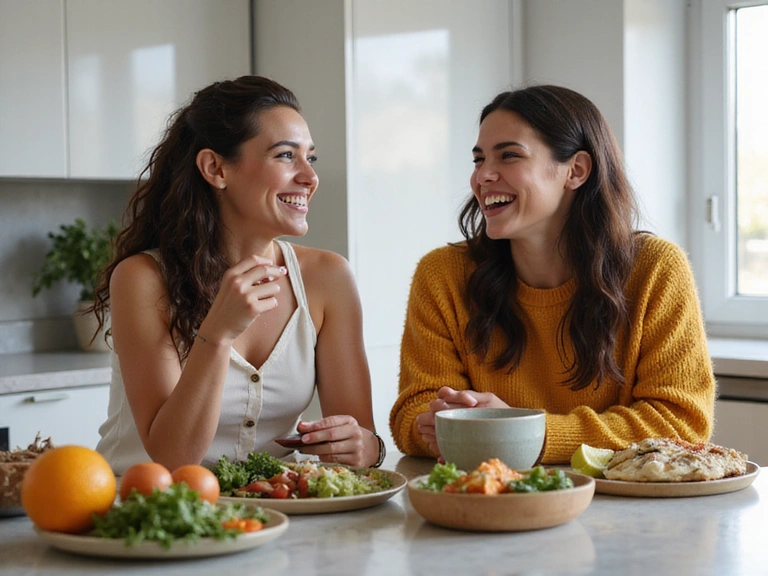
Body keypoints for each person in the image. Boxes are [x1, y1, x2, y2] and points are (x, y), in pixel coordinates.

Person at [389, 84, 716, 464]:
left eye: (509, 155)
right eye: (479, 160)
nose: (483, 177)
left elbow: (681, 421)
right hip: (488, 505)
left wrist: (523, 431)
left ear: (575, 171)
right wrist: (434, 422)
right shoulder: (442, 275)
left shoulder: (656, 269)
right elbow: (414, 410)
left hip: (622, 512)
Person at [92, 75, 384, 474]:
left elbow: (358, 439)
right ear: (215, 168)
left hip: (273, 513)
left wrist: (366, 447)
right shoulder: (143, 278)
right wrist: (217, 334)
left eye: (309, 158)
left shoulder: (328, 278)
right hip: (146, 513)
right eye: (285, 156)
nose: (310, 177)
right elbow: (172, 457)